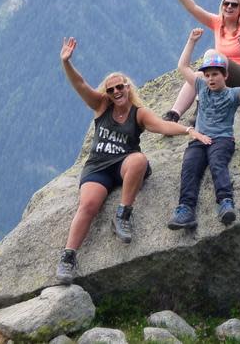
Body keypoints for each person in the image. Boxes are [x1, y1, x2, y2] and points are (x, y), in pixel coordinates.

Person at [55, 37, 209, 284]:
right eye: (111, 89)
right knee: (89, 205)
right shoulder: (101, 106)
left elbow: (162, 126)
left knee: (138, 159)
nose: (116, 91)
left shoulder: (139, 113)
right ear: (107, 93)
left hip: (125, 165)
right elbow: (80, 84)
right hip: (99, 167)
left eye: (121, 87)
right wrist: (66, 63)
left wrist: (189, 131)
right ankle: (68, 257)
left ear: (128, 88)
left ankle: (123, 215)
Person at [168, 29, 240, 230]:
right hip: (198, 138)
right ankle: (185, 209)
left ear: (225, 75)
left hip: (222, 139)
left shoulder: (233, 94)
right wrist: (191, 41)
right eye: (207, 75)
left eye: (215, 75)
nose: (210, 79)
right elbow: (182, 66)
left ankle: (226, 202)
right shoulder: (200, 86)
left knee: (218, 164)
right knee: (190, 167)